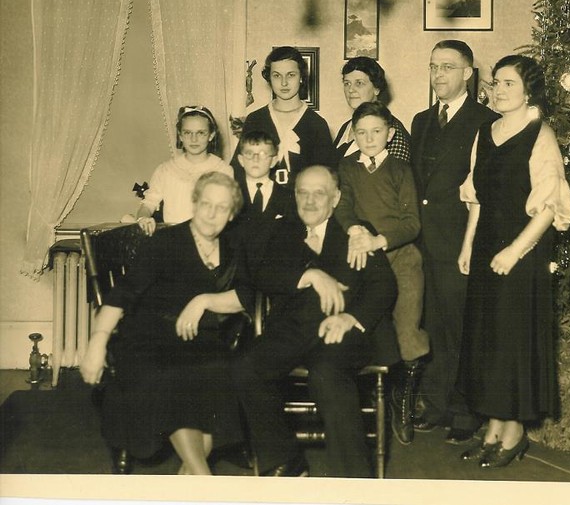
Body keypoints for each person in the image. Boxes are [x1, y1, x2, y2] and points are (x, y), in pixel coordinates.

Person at [79, 172, 250, 475]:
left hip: (203, 339)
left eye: (222, 208)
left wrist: (204, 301)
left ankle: (191, 479)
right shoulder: (166, 242)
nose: (212, 214)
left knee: (218, 375)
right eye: (206, 204)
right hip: (150, 337)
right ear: (194, 204)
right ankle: (203, 479)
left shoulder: (235, 246)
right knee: (175, 378)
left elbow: (247, 295)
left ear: (232, 213)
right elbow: (123, 293)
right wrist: (98, 340)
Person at [233, 165, 398, 478]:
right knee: (245, 366)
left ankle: (353, 487)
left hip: (344, 335)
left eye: (318, 193)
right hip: (293, 332)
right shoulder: (283, 230)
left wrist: (350, 317)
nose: (309, 201)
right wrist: (310, 275)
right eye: (302, 192)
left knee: (326, 374)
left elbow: (384, 286)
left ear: (335, 198)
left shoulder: (355, 231)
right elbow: (262, 275)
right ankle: (287, 460)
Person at [456, 54, 570, 468]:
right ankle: (492, 426)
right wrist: (469, 245)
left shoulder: (541, 135)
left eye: (509, 83)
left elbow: (547, 208)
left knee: (511, 341)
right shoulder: (485, 132)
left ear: (528, 91)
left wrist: (514, 250)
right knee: (487, 339)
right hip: (488, 245)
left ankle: (514, 432)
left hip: (521, 251)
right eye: (496, 82)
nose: (499, 90)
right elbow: (477, 198)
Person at [410, 39, 498, 445]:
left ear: (467, 73)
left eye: (447, 67)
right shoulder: (420, 120)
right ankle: (436, 403)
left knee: (462, 326)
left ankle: (465, 410)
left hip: (462, 240)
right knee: (431, 323)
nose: (438, 75)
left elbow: (487, 187)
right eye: (433, 67)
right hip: (424, 240)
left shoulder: (487, 121)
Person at [334, 101, 429, 445]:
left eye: (376, 131)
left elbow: (412, 223)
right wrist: (356, 232)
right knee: (362, 328)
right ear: (353, 135)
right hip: (363, 259)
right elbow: (342, 207)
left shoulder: (401, 170)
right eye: (361, 132)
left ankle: (401, 402)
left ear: (389, 134)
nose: (369, 138)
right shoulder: (346, 167)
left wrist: (380, 239)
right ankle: (358, 404)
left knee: (407, 332)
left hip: (401, 258)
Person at [232, 46, 336, 189]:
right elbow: (238, 172)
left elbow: (327, 178)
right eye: (276, 75)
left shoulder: (316, 124)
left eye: (291, 75)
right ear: (269, 78)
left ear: (301, 77)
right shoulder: (255, 119)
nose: (284, 82)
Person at [133, 105, 233, 235]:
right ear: (180, 135)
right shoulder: (166, 170)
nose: (194, 139)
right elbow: (148, 204)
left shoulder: (223, 170)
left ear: (211, 135)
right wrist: (143, 218)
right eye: (187, 133)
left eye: (201, 133)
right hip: (174, 241)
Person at [227, 130, 295, 272]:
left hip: (275, 272)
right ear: (240, 160)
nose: (255, 159)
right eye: (250, 153)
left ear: (274, 161)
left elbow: (291, 240)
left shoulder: (287, 197)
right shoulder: (230, 194)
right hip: (237, 272)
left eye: (263, 154)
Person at [333, 57, 411, 164]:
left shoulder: (392, 130)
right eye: (347, 83)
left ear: (376, 88)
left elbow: (394, 177)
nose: (350, 90)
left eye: (359, 83)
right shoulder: (347, 126)